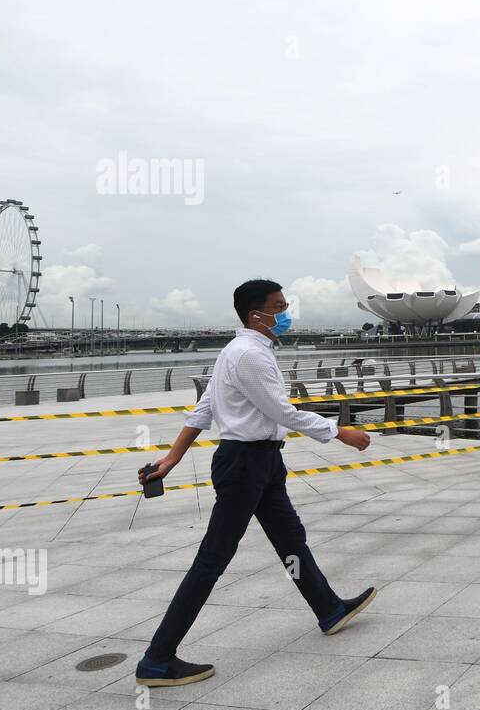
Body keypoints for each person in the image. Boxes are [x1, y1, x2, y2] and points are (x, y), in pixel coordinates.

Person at [134, 279, 375, 687]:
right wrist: (339, 432)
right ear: (256, 314)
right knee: (213, 558)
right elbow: (281, 411)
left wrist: (172, 458)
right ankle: (156, 659)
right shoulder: (249, 355)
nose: (286, 314)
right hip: (245, 464)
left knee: (290, 540)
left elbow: (204, 408)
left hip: (261, 462)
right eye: (279, 307)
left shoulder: (238, 351)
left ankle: (329, 608)